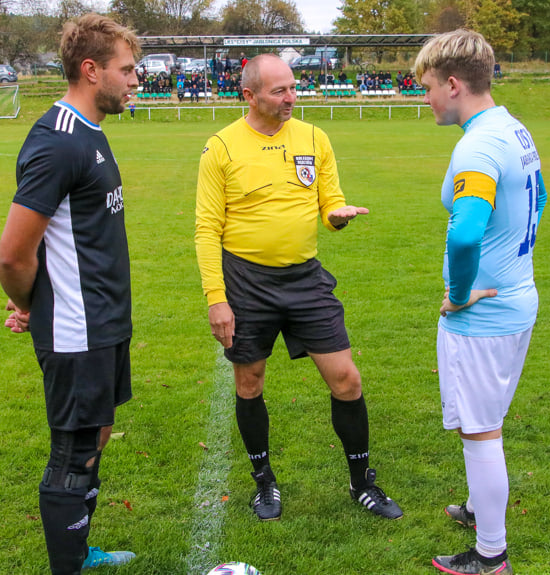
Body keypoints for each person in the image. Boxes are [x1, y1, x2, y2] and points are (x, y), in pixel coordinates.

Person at [195, 54, 403, 522]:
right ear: (248, 95)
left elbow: (329, 198)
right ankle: (264, 481)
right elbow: (207, 229)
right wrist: (217, 299)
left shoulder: (314, 137)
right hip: (246, 283)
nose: (292, 97)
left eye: (293, 88)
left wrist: (336, 215)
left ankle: (361, 482)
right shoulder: (222, 148)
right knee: (250, 382)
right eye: (280, 91)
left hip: (305, 278)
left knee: (346, 379)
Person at [0, 13, 140, 575]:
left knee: (95, 434)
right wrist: (32, 305)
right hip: (77, 327)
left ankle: (80, 551)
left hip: (101, 321)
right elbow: (13, 253)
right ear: (90, 70)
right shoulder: (58, 142)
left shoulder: (90, 133)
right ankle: (68, 567)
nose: (135, 80)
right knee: (73, 451)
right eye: (126, 70)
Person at [414, 30, 547, 575]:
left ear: (452, 84)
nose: (425, 99)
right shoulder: (512, 129)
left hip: (486, 315)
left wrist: (463, 291)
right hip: (516, 297)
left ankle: (491, 555)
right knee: (484, 420)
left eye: (426, 88)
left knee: (480, 430)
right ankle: (476, 507)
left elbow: (465, 232)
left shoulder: (478, 144)